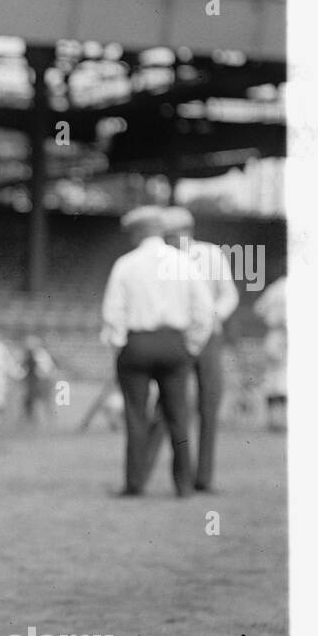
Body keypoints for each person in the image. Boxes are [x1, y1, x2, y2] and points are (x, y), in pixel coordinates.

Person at [101, 205, 215, 497]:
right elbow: (204, 310)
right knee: (178, 418)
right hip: (174, 344)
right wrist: (191, 346)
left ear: (139, 231)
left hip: (137, 345)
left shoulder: (126, 264)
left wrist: (118, 346)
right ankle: (184, 485)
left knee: (136, 417)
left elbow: (113, 313)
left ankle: (135, 483)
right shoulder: (184, 263)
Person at [140, 207, 240, 490]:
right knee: (167, 404)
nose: (170, 240)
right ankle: (142, 474)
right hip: (177, 338)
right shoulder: (162, 261)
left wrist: (213, 316)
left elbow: (228, 293)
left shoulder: (210, 254)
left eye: (174, 234)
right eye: (166, 235)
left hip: (209, 337)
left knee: (209, 405)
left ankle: (203, 479)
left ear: (187, 231)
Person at [254, 275, 287, 431]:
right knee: (284, 380)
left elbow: (258, 309)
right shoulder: (293, 286)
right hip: (286, 337)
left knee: (272, 379)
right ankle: (282, 420)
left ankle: (272, 419)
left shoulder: (274, 287)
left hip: (273, 336)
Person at [20, 334, 57, 426]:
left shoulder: (40, 354)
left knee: (43, 404)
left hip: (41, 383)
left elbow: (44, 371)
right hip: (34, 382)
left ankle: (45, 423)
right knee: (32, 404)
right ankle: (33, 423)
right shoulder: (30, 355)